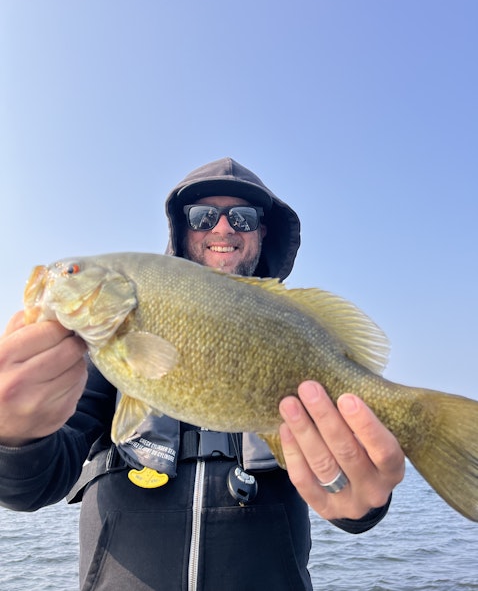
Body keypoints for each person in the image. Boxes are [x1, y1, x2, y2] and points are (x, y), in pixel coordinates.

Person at [0, 157, 405, 590]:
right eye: (202, 217)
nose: (223, 228)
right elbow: (33, 487)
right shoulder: (103, 354)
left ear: (262, 233)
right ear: (181, 230)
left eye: (243, 218)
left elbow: (353, 496)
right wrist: (13, 436)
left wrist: (363, 502)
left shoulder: (294, 332)